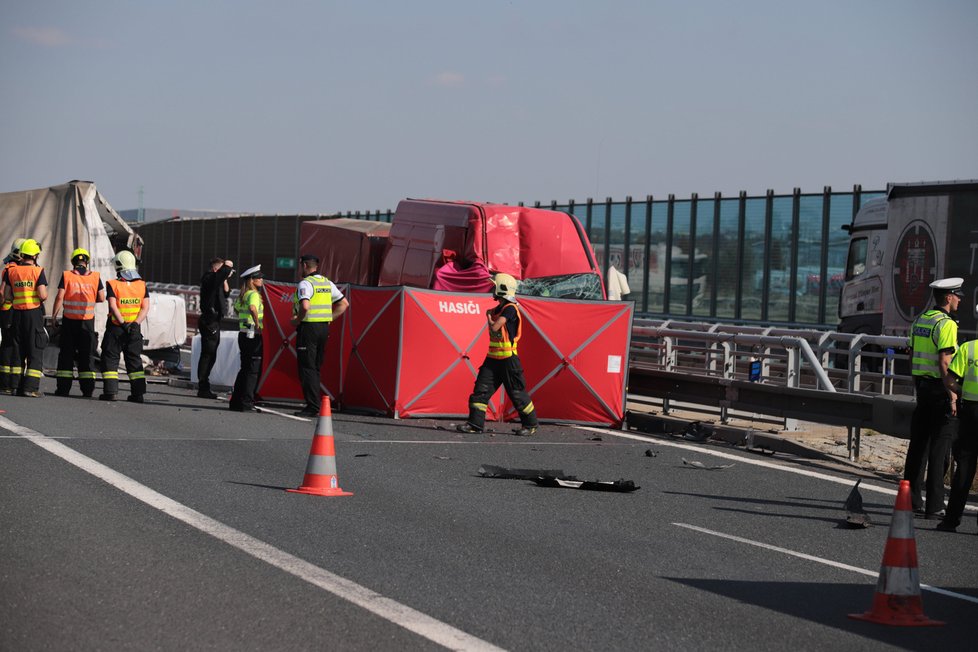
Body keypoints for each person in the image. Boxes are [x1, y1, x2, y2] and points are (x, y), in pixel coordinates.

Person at [902, 277, 962, 518]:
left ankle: (911, 500)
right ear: (948, 298)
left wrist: (917, 383)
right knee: (939, 448)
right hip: (940, 389)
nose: (960, 300)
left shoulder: (920, 320)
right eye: (958, 296)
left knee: (917, 446)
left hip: (923, 389)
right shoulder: (946, 324)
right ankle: (935, 504)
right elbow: (945, 361)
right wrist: (953, 395)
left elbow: (911, 354)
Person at [456, 273, 539, 436]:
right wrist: (491, 313)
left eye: (495, 286)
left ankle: (530, 425)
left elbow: (495, 327)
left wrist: (488, 316)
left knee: (517, 393)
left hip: (508, 360)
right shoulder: (498, 309)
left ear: (502, 289)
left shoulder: (510, 309)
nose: (492, 289)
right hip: (493, 360)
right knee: (481, 390)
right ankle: (475, 424)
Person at [291, 254, 348, 417]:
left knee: (307, 368)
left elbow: (305, 305)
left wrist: (297, 321)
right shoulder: (326, 282)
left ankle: (312, 406)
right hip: (323, 328)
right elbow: (344, 304)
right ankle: (314, 403)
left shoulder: (306, 283)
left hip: (308, 328)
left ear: (303, 265)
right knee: (315, 367)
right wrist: (329, 319)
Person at [936, 338, 978, 532]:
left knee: (964, 467)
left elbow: (950, 380)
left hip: (970, 412)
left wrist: (961, 392)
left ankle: (951, 520)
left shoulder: (969, 348)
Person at [51, 248, 105, 397]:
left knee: (66, 355)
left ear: (73, 262)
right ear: (86, 262)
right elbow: (101, 297)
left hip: (69, 322)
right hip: (87, 323)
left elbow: (59, 297)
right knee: (86, 355)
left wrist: (55, 317)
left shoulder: (67, 275)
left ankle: (63, 389)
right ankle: (87, 390)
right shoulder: (95, 277)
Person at [99, 250, 150, 403]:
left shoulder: (113, 285)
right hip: (135, 329)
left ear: (118, 266)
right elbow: (145, 307)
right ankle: (138, 394)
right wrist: (135, 324)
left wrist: (123, 323)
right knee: (134, 360)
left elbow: (113, 307)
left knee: (110, 358)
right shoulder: (142, 285)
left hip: (117, 327)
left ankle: (111, 392)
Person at [1, 239, 48, 397]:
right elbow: (42, 294)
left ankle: (15, 386)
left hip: (16, 313)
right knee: (34, 349)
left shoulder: (11, 271)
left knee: (18, 349)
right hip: (33, 313)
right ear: (34, 256)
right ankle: (30, 388)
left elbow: (7, 295)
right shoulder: (37, 271)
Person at [197, 257, 234, 399]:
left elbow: (226, 293)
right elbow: (219, 275)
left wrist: (224, 279)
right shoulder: (208, 279)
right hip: (209, 320)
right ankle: (203, 386)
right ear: (216, 269)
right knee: (208, 353)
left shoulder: (216, 282)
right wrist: (227, 266)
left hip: (215, 321)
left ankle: (204, 385)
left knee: (211, 354)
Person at [228, 264, 264, 412]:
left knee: (244, 369)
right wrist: (257, 324)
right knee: (252, 371)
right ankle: (247, 402)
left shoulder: (243, 294)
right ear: (252, 280)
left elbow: (236, 310)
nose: (261, 280)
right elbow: (253, 308)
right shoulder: (254, 294)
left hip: (243, 333)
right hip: (253, 335)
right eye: (259, 278)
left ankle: (236, 401)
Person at [0, 238, 26, 394]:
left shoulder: (11, 267)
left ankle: (7, 382)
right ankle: (7, 383)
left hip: (9, 311)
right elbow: (3, 292)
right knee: (11, 346)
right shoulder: (13, 269)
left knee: (9, 346)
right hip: (11, 311)